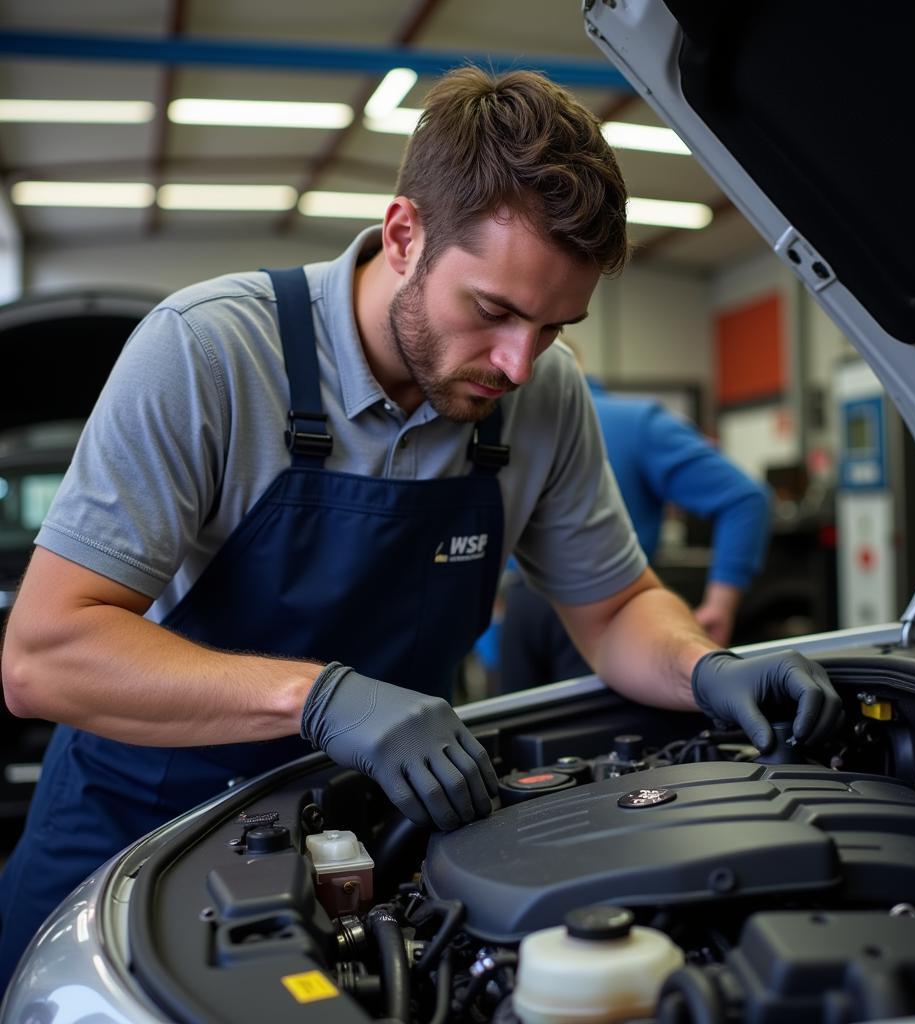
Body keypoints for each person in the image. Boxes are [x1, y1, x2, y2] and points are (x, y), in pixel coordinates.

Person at [0, 67, 840, 984]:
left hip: (371, 833)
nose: (521, 363)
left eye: (555, 326)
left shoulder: (542, 397)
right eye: (494, 311)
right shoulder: (209, 352)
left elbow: (612, 608)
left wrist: (704, 670)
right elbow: (45, 656)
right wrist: (324, 699)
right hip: (134, 842)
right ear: (405, 236)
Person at [500, 364, 773, 690]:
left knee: (507, 728)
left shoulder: (506, 421)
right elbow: (744, 497)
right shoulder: (637, 423)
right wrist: (720, 605)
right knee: (594, 731)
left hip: (531, 605)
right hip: (607, 607)